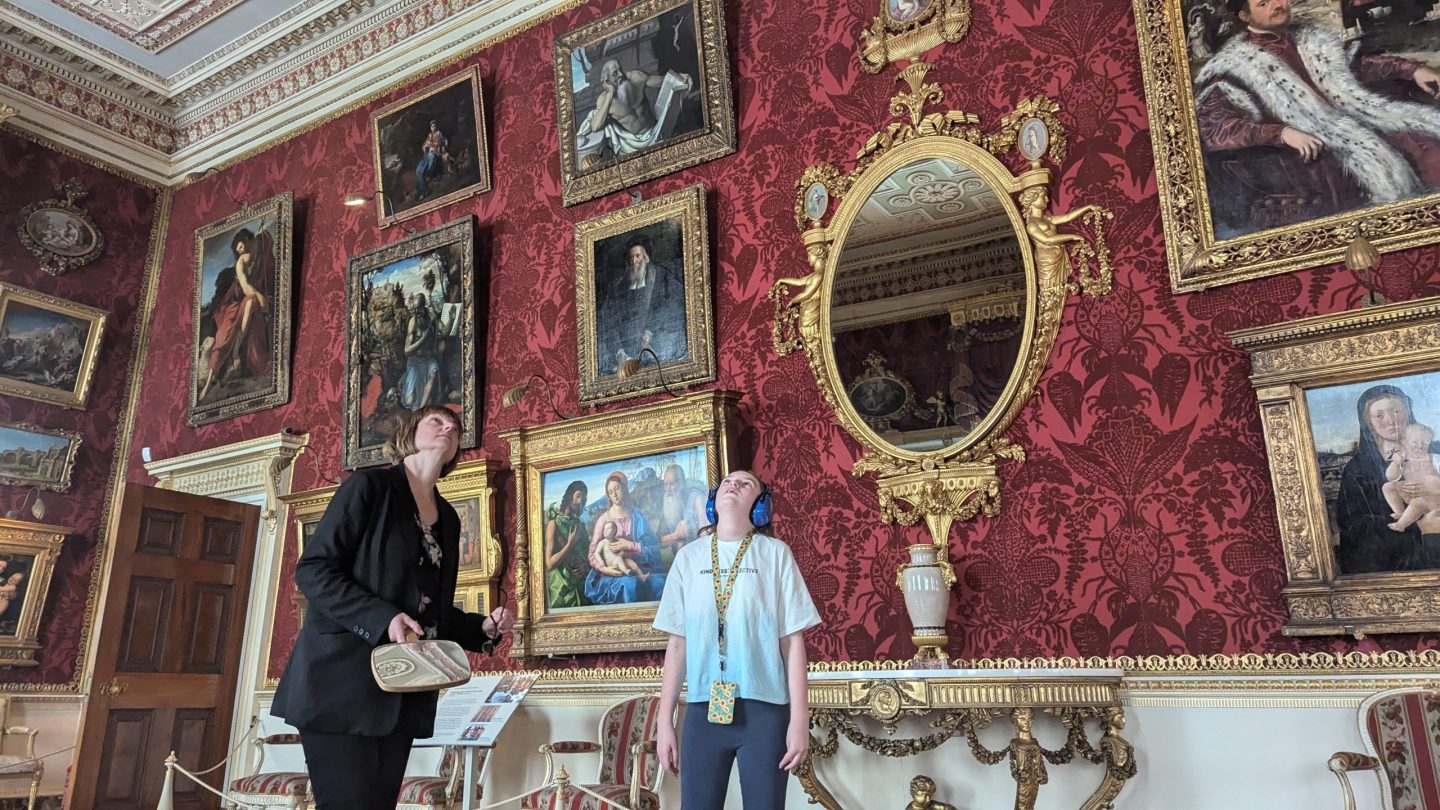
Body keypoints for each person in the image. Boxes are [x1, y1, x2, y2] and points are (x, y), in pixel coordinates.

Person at [271, 406, 513, 810]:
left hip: (403, 694)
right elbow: (313, 571)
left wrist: (481, 628)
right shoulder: (368, 487)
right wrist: (384, 618)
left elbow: (429, 611)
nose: (449, 427)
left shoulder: (449, 520)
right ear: (409, 434)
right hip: (340, 688)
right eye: (437, 421)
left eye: (455, 427)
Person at [1193, 0, 1440, 237]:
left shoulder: (1312, 40)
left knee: (1424, 136)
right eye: (1263, 3)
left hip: (1354, 121)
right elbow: (1216, 129)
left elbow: (1358, 66)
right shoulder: (1232, 67)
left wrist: (1413, 70)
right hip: (1304, 155)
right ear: (1245, 16)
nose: (1277, 4)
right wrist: (1281, 133)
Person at [653, 470, 820, 810]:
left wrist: (799, 720)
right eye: (727, 482)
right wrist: (665, 721)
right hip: (703, 711)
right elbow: (677, 644)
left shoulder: (775, 554)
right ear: (713, 501)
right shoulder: (688, 559)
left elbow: (793, 642)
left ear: (760, 506)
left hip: (765, 711)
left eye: (746, 484)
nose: (734, 485)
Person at [1335, 385, 1439, 573]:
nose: (1392, 421)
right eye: (1380, 415)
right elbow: (1353, 527)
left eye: (1397, 411)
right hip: (1393, 559)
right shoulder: (1356, 469)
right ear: (1368, 422)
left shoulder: (1436, 451)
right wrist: (1419, 527)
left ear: (1408, 412)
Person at [199, 227, 273, 402]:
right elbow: (247, 289)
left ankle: (239, 351)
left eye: (239, 246)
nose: (239, 250)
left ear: (246, 239)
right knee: (223, 338)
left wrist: (261, 297)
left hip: (248, 301)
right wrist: (261, 296)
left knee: (251, 303)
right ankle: (210, 381)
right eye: (236, 249)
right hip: (233, 303)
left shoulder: (262, 252)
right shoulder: (241, 262)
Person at [595, 237, 687, 375]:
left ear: (647, 258)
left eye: (637, 255)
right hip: (625, 358)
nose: (634, 261)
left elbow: (674, 307)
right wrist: (619, 352)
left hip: (657, 349)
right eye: (630, 257)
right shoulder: (617, 288)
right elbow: (607, 321)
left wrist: (650, 332)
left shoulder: (663, 278)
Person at [577, 59, 693, 163]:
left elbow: (663, 81)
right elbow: (595, 126)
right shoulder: (604, 100)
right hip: (632, 147)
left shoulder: (636, 77)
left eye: (620, 69)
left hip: (656, 132)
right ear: (607, 80)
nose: (621, 74)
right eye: (615, 73)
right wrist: (610, 94)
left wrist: (679, 77)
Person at [584, 472, 666, 603]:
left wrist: (629, 545)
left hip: (639, 566)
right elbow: (593, 552)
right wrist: (605, 569)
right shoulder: (603, 519)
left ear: (624, 488)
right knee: (629, 585)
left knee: (661, 582)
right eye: (610, 492)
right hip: (612, 572)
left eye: (617, 488)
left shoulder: (638, 516)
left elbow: (654, 548)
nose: (614, 494)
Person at [1384, 422, 1440, 531]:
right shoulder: (1403, 459)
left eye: (1424, 444)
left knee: (1417, 502)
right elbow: (1391, 477)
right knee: (1388, 487)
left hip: (1433, 498)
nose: (1420, 446)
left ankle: (1401, 525)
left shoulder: (1434, 458)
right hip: (1411, 491)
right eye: (1415, 442)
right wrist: (1395, 463)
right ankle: (1400, 512)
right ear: (1404, 442)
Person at [544, 481, 591, 609]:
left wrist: (586, 567)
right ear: (570, 496)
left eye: (584, 498)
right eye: (578, 496)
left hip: (582, 585)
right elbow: (549, 564)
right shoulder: (554, 524)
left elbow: (589, 556)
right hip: (561, 587)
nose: (581, 501)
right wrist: (570, 544)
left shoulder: (581, 525)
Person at [656, 463, 707, 566]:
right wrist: (676, 535)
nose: (668, 489)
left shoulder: (697, 498)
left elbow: (705, 536)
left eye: (672, 484)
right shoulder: (668, 504)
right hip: (680, 563)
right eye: (666, 484)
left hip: (700, 560)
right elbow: (658, 541)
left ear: (682, 483)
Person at [400, 294, 440, 409]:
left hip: (428, 359)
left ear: (424, 306)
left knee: (433, 373)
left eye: (419, 308)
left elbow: (444, 330)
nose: (417, 312)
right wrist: (424, 338)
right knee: (409, 401)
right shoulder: (413, 322)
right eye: (415, 308)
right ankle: (405, 379)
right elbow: (407, 351)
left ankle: (421, 410)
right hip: (415, 361)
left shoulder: (430, 315)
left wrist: (450, 318)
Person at [415, 120, 450, 201]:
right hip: (426, 156)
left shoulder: (439, 133)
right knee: (418, 171)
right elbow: (424, 145)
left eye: (434, 126)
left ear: (436, 126)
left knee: (428, 167)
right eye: (432, 126)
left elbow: (445, 141)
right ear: (430, 128)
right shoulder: (429, 135)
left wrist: (443, 147)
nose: (433, 127)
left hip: (434, 154)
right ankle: (424, 190)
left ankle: (425, 191)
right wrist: (425, 147)